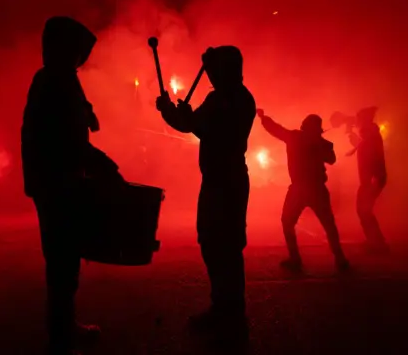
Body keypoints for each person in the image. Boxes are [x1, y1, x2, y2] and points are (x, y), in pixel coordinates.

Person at [21, 16, 121, 355]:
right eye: (77, 51)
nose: (81, 59)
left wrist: (88, 111)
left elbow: (74, 105)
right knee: (63, 261)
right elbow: (63, 141)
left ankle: (63, 326)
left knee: (63, 260)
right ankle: (62, 335)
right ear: (65, 49)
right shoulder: (54, 81)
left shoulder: (56, 77)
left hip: (56, 180)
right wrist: (102, 164)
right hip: (56, 182)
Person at [155, 46, 256, 337]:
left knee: (220, 244)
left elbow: (196, 126)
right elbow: (194, 124)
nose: (210, 75)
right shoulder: (235, 96)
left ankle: (227, 310)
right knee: (220, 245)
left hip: (225, 182)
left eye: (213, 69)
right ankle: (227, 308)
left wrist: (172, 112)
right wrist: (178, 114)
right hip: (225, 180)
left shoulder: (227, 99)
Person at [257, 111, 350, 272]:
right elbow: (332, 159)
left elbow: (275, 129)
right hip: (311, 189)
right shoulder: (315, 141)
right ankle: (339, 259)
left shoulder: (298, 138)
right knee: (328, 225)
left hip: (305, 188)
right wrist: (319, 143)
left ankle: (296, 259)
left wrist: (263, 118)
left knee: (291, 223)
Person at [347, 106, 389, 254]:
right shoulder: (370, 135)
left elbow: (370, 156)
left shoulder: (370, 134)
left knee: (364, 210)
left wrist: (372, 181)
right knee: (364, 210)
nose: (357, 122)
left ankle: (377, 244)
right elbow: (363, 148)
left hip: (371, 180)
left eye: (359, 119)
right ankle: (375, 241)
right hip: (370, 180)